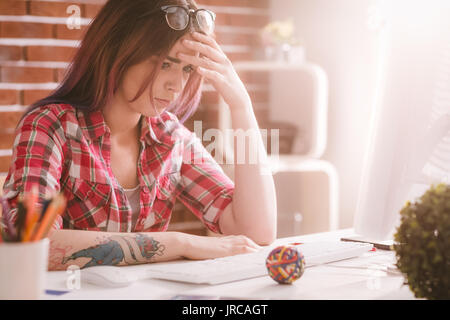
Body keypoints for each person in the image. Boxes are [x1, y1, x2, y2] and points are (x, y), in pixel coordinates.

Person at [2, 0, 277, 271]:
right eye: (166, 64)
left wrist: (242, 105)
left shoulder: (170, 137)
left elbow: (257, 231)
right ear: (117, 52)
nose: (177, 86)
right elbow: (31, 243)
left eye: (187, 69)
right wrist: (181, 243)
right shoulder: (51, 126)